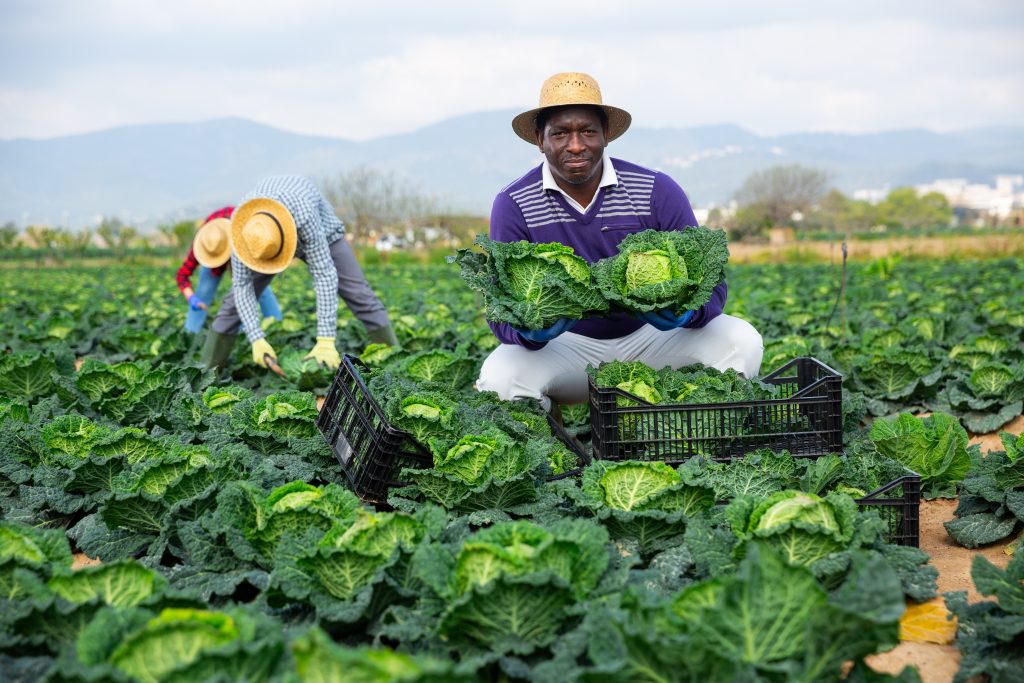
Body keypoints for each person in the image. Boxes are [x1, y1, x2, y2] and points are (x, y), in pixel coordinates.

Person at [476, 72, 764, 412]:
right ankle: (551, 447)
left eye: (587, 131)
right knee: (499, 379)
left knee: (742, 342)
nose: (575, 145)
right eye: (560, 133)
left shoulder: (655, 189)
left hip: (654, 338)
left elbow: (712, 285)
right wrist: (530, 333)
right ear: (540, 140)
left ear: (606, 135)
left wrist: (685, 315)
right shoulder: (514, 203)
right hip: (564, 346)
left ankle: (709, 431)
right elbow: (499, 307)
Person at [200, 175, 399, 371]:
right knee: (232, 305)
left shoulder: (304, 213)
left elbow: (324, 274)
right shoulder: (243, 229)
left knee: (359, 294)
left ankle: (394, 363)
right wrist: (256, 338)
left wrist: (325, 340)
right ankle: (206, 373)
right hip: (266, 248)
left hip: (324, 234)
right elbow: (242, 285)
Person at [177, 207, 282, 333]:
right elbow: (182, 275)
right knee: (203, 293)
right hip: (212, 257)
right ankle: (190, 333)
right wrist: (192, 298)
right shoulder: (204, 243)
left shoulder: (243, 226)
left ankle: (276, 328)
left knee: (261, 288)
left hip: (242, 247)